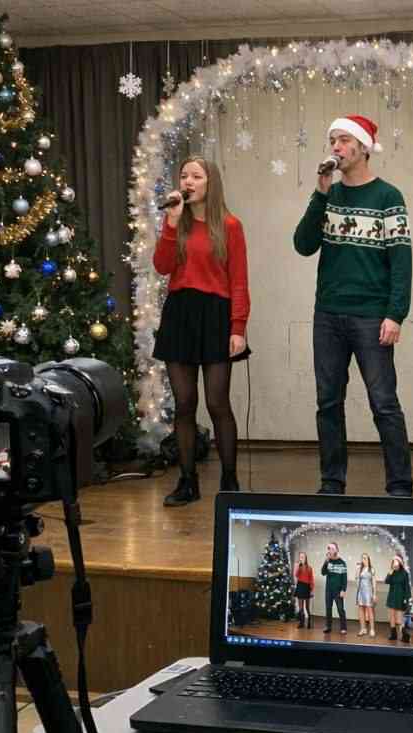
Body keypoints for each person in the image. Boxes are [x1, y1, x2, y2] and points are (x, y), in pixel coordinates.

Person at [293, 115, 413, 497]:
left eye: (345, 140)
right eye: (333, 140)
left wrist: (395, 313)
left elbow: (401, 262)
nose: (336, 147)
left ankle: (400, 487)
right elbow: (303, 244)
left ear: (363, 147)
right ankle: (332, 482)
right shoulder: (329, 195)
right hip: (328, 315)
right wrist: (319, 194)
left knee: (384, 403)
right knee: (328, 402)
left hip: (371, 316)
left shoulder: (388, 197)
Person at [153, 156, 251, 506]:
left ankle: (229, 480)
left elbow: (238, 280)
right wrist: (170, 223)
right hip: (180, 312)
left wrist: (238, 327)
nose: (188, 182)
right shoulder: (175, 223)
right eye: (184, 176)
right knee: (184, 404)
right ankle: (187, 481)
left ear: (211, 183)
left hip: (215, 314)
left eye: (196, 176)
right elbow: (162, 266)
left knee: (216, 402)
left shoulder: (230, 225)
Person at [319, 542, 348, 635]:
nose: (330, 550)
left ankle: (343, 627)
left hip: (338, 590)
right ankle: (328, 626)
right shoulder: (328, 562)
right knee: (328, 608)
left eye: (332, 548)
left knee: (340, 609)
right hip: (328, 590)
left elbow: (344, 578)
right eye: (329, 548)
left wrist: (343, 590)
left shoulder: (342, 563)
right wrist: (326, 561)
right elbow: (323, 572)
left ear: (337, 550)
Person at [384, 555, 411, 642]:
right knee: (391, 616)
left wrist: (407, 598)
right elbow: (386, 581)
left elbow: (407, 587)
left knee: (399, 618)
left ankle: (404, 635)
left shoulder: (405, 573)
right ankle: (393, 634)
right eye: (393, 561)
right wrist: (390, 572)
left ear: (400, 562)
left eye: (396, 561)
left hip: (400, 597)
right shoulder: (392, 572)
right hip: (392, 596)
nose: (395, 563)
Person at [355, 554, 377, 637]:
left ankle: (372, 629)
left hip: (368, 592)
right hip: (361, 591)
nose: (363, 559)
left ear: (368, 559)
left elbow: (374, 582)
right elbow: (356, 579)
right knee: (361, 610)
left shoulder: (371, 569)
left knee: (370, 610)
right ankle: (363, 629)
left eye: (364, 558)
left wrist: (374, 594)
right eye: (362, 558)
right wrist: (357, 570)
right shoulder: (360, 569)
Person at [294, 552, 314, 629]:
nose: (302, 558)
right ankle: (301, 623)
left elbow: (311, 579)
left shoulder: (309, 568)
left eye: (303, 557)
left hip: (307, 587)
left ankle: (309, 621)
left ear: (306, 558)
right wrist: (298, 566)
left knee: (307, 607)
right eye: (300, 557)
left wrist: (312, 589)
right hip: (300, 586)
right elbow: (296, 575)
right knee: (301, 607)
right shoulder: (298, 566)